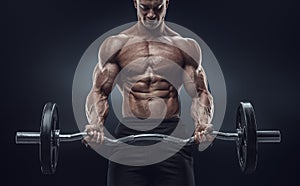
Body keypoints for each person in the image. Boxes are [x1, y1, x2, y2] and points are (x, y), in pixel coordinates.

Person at [83, 0, 214, 185]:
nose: (151, 15)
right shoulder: (115, 45)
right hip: (130, 135)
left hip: (171, 135)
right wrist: (95, 125)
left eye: (157, 7)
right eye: (145, 7)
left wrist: (202, 124)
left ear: (166, 3)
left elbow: (200, 93)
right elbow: (99, 92)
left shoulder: (185, 47)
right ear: (135, 3)